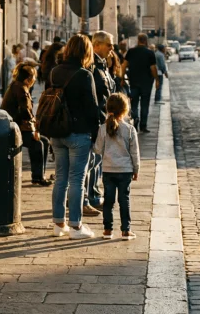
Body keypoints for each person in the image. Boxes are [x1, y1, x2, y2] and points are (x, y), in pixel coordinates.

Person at [48, 34, 101, 239]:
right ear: (86, 52)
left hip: (57, 132)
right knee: (77, 180)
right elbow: (93, 109)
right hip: (78, 133)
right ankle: (76, 226)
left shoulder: (54, 72)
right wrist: (96, 135)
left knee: (60, 178)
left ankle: (58, 224)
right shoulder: (84, 75)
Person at [93, 93, 140, 240]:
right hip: (125, 170)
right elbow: (135, 153)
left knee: (108, 200)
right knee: (124, 200)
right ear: (125, 110)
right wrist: (136, 169)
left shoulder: (102, 129)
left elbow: (97, 149)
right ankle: (126, 230)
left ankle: (108, 230)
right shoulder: (130, 129)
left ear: (107, 109)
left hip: (108, 169)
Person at [83, 31, 117, 215]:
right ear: (96, 45)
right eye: (109, 45)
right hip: (97, 120)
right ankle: (88, 197)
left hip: (103, 119)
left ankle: (94, 195)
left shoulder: (102, 64)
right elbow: (95, 97)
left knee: (97, 161)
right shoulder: (93, 66)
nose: (112, 48)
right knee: (91, 162)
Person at [2, 62, 51, 186]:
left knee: (43, 142)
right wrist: (34, 126)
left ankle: (39, 174)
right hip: (15, 128)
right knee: (38, 144)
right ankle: (38, 177)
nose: (35, 80)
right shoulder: (21, 89)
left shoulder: (16, 86)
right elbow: (25, 112)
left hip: (16, 125)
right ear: (28, 79)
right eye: (34, 77)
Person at [125, 33, 159, 134]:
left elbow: (124, 65)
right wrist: (157, 79)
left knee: (134, 104)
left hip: (134, 82)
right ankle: (143, 126)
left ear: (138, 40)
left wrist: (122, 78)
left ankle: (135, 121)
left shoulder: (131, 51)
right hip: (146, 83)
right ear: (146, 41)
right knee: (145, 105)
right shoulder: (150, 53)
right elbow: (153, 68)